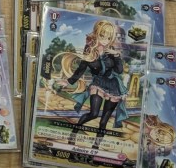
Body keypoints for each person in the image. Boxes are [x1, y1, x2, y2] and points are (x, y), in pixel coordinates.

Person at [55, 20, 129, 149]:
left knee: (104, 121)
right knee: (94, 113)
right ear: (96, 34)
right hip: (98, 83)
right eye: (102, 36)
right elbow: (81, 68)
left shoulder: (111, 51)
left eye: (109, 38)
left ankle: (96, 146)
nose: (105, 40)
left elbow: (119, 71)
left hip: (113, 86)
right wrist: (68, 81)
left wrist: (117, 56)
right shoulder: (89, 50)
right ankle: (74, 133)